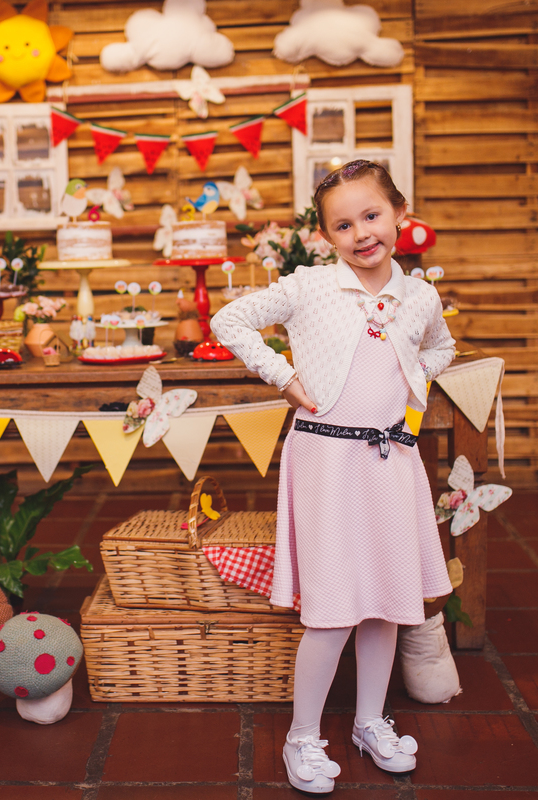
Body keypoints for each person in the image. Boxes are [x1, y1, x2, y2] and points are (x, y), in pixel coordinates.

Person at [210, 160, 456, 794]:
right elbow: (228, 321)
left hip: (392, 462)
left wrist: (413, 385)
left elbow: (442, 347)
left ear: (399, 212)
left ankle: (371, 721)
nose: (361, 233)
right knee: (333, 609)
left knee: (385, 604)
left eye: (372, 215)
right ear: (327, 236)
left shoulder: (419, 294)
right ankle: (302, 737)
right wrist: (284, 379)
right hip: (326, 462)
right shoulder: (309, 287)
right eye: (342, 225)